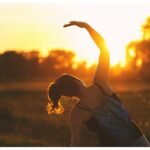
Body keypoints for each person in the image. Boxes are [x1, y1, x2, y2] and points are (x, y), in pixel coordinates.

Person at [47, 21, 150, 147]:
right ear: (77, 80)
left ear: (67, 94)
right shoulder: (100, 83)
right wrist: (86, 27)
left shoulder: (77, 114)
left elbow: (76, 144)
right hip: (137, 140)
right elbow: (104, 49)